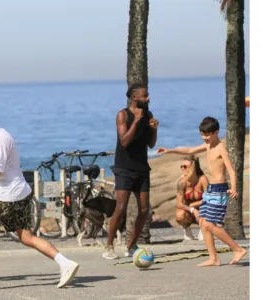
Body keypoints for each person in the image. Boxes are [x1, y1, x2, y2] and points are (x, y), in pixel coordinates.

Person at [0, 106, 79, 292]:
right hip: (17, 192)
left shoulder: (0, 139)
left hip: (6, 194)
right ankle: (65, 263)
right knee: (26, 236)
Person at [156, 116, 247, 266]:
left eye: (207, 135)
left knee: (211, 224)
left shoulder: (220, 148)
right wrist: (169, 150)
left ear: (216, 132)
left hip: (219, 190)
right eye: (202, 135)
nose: (204, 138)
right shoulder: (207, 146)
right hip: (211, 189)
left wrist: (234, 188)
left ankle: (237, 249)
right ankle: (213, 258)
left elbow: (231, 169)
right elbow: (190, 150)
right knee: (204, 223)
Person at [102, 83, 159, 260]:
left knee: (144, 209)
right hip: (124, 167)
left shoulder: (148, 114)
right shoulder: (123, 115)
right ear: (135, 98)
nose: (148, 98)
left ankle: (131, 245)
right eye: (145, 95)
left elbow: (150, 144)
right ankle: (109, 247)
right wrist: (136, 120)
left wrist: (154, 129)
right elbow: (124, 141)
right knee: (121, 207)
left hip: (142, 167)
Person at [176, 155, 208, 241]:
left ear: (193, 168)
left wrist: (193, 204)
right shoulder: (182, 183)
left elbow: (209, 199)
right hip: (189, 212)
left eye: (185, 166)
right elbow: (179, 203)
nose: (182, 169)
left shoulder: (202, 179)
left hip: (203, 211)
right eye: (181, 166)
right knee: (179, 215)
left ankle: (203, 228)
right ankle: (187, 229)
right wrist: (192, 209)